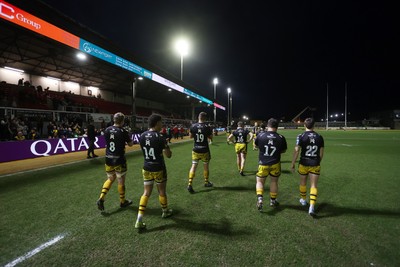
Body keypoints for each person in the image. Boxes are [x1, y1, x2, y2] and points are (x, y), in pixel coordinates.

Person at [135, 114, 172, 229]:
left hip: (146, 167)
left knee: (146, 193)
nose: (162, 125)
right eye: (161, 122)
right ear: (156, 123)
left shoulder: (142, 136)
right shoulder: (160, 137)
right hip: (158, 168)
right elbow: (168, 155)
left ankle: (139, 220)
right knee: (161, 191)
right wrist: (166, 145)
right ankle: (165, 211)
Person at [96, 112, 134, 211]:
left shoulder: (107, 130)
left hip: (108, 158)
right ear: (122, 121)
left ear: (114, 120)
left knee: (110, 179)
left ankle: (101, 198)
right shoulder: (122, 131)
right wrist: (129, 136)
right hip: (119, 159)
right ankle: (122, 201)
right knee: (120, 181)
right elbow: (130, 144)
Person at [290, 117, 324, 216]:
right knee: (314, 185)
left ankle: (304, 200)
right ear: (314, 125)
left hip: (303, 163)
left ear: (304, 125)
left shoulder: (300, 136)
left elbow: (297, 151)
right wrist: (317, 161)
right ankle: (312, 207)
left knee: (303, 183)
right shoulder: (319, 136)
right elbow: (321, 153)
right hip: (315, 164)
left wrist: (292, 164)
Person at [254, 118, 287, 210]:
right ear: (277, 127)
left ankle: (260, 199)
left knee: (260, 181)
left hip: (263, 163)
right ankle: (272, 201)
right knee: (274, 182)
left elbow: (256, 146)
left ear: (268, 126)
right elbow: (283, 150)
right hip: (275, 163)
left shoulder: (260, 135)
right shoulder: (281, 137)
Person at [187, 112, 213, 193]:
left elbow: (190, 136)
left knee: (193, 166)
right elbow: (211, 137)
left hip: (196, 149)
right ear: (205, 118)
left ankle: (190, 183)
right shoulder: (207, 127)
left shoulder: (193, 126)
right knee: (205, 166)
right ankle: (206, 182)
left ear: (198, 117)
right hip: (204, 149)